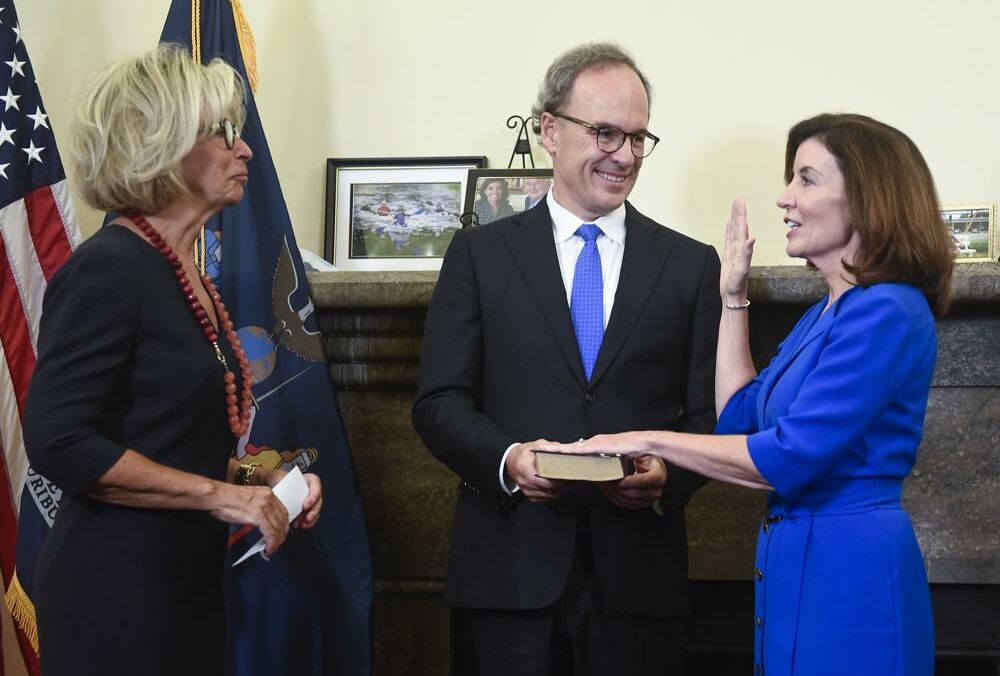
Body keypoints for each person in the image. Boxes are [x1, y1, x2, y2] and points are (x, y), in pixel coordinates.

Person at [539, 113, 953, 676]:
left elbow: (785, 457)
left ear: (866, 197)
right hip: (794, 562)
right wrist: (733, 298)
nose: (784, 198)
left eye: (805, 179)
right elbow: (739, 421)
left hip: (850, 573)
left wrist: (642, 436)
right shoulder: (825, 313)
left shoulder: (888, 310)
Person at [413, 43, 721, 675]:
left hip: (639, 579)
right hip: (509, 571)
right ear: (549, 130)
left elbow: (710, 413)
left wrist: (669, 478)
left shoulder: (690, 267)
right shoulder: (478, 255)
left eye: (638, 138)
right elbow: (439, 402)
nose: (625, 155)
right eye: (606, 132)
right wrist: (509, 460)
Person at [22, 44, 323, 676]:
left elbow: (171, 440)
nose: (243, 149)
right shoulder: (109, 269)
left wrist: (265, 485)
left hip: (181, 583)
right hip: (114, 595)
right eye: (222, 133)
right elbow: (59, 441)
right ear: (157, 144)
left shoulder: (184, 270)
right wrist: (221, 495)